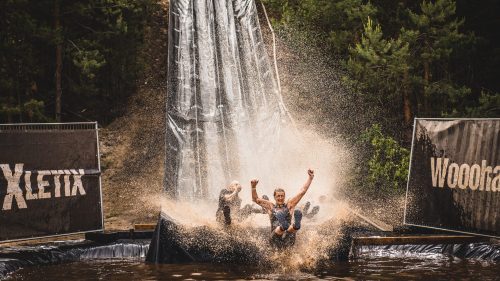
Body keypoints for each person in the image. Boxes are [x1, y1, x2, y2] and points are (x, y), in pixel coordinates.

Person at [251, 169, 315, 247]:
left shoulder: (289, 205)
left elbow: (302, 191)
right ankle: (288, 226)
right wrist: (253, 187)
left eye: (282, 196)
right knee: (285, 229)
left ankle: (294, 225)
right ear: (274, 197)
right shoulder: (271, 206)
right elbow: (256, 199)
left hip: (288, 238)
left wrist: (310, 178)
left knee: (289, 230)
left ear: (284, 196)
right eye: (278, 196)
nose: (280, 198)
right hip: (275, 238)